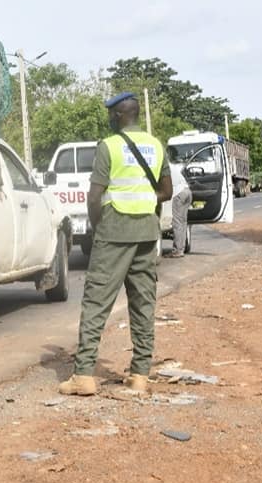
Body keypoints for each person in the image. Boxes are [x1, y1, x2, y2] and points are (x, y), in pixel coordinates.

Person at [59, 92, 172, 396]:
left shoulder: (108, 147)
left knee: (97, 301)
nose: (109, 119)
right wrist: (146, 199)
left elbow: (94, 197)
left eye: (112, 114)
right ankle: (140, 375)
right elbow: (167, 191)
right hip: (147, 234)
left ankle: (83, 374)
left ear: (120, 116)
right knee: (143, 303)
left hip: (114, 231)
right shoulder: (156, 145)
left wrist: (98, 226)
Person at [163, 153, 192, 258]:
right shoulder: (172, 166)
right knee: (183, 222)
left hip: (179, 193)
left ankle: (177, 250)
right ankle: (181, 248)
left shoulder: (164, 167)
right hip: (187, 191)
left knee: (177, 222)